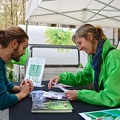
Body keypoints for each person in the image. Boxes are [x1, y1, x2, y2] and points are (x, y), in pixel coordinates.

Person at [48, 24, 120, 107]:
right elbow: (83, 77)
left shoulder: (114, 57)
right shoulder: (94, 57)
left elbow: (112, 97)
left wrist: (79, 94)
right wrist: (62, 78)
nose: (80, 48)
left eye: (80, 43)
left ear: (90, 37)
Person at [0, 26, 34, 110]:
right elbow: (2, 101)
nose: (24, 53)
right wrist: (23, 93)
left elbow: (6, 84)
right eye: (24, 48)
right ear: (14, 44)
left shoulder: (2, 62)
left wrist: (20, 88)